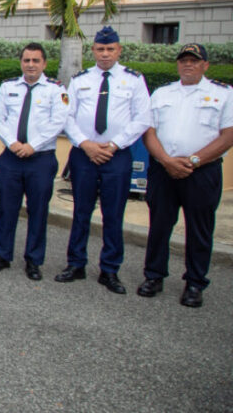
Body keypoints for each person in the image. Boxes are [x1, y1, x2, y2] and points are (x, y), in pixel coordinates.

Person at [137, 44, 233, 308]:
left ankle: (194, 282)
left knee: (199, 230)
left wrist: (193, 161)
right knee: (158, 227)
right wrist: (167, 161)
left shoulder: (223, 94)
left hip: (201, 171)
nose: (188, 65)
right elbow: (149, 132)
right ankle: (154, 276)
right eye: (184, 61)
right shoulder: (162, 93)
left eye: (194, 60)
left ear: (205, 65)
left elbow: (228, 135)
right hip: (163, 170)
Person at [58, 26, 150, 294]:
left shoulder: (133, 80)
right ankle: (76, 263)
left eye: (110, 49)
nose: (105, 54)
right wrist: (86, 145)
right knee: (81, 213)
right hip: (84, 155)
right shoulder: (80, 79)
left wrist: (113, 145)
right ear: (93, 51)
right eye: (100, 49)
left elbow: (142, 118)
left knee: (113, 215)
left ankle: (110, 270)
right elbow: (67, 115)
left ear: (119, 50)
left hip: (116, 156)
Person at [0, 43, 68, 281]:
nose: (30, 65)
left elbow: (58, 122)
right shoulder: (8, 87)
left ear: (44, 63)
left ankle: (33, 260)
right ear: (21, 62)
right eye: (26, 60)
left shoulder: (56, 90)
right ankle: (2, 255)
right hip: (12, 157)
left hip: (40, 159)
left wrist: (33, 145)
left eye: (35, 61)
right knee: (7, 209)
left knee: (38, 211)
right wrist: (13, 143)